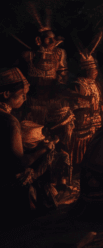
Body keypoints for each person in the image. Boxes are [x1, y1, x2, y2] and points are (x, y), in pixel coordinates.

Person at [1, 68, 59, 223]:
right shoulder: (10, 121)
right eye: (22, 94)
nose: (25, 98)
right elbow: (20, 163)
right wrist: (45, 148)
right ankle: (35, 206)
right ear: (6, 94)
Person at [68, 36, 103, 167]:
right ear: (86, 70)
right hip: (83, 120)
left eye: (96, 70)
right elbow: (74, 101)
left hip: (95, 118)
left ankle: (89, 162)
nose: (96, 72)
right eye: (93, 70)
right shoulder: (78, 84)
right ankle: (78, 164)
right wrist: (87, 102)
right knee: (81, 143)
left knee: (93, 142)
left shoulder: (94, 84)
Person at [45, 101, 75, 192]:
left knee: (64, 158)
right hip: (53, 147)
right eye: (70, 124)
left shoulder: (56, 124)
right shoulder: (56, 126)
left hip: (58, 146)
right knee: (62, 157)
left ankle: (62, 183)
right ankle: (57, 183)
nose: (72, 126)